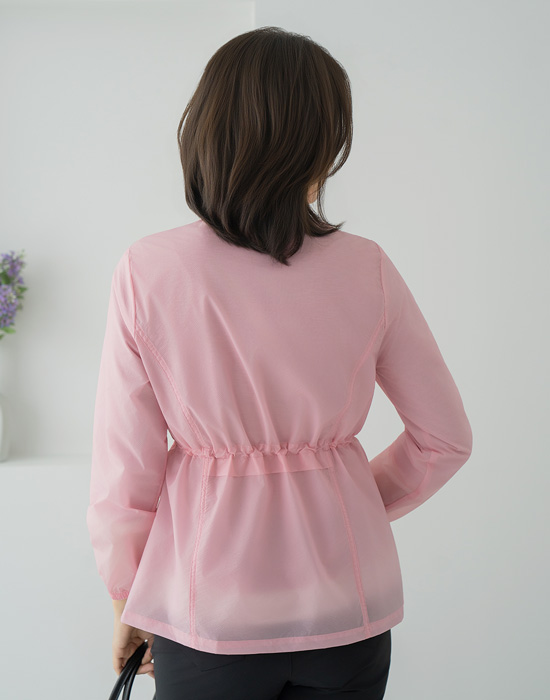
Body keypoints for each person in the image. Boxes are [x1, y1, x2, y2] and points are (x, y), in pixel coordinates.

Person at [87, 26, 473, 700]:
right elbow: (444, 439)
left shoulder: (149, 271)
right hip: (347, 609)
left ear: (207, 132)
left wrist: (127, 596)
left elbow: (126, 471)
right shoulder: (368, 269)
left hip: (208, 615)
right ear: (322, 145)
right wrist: (341, 499)